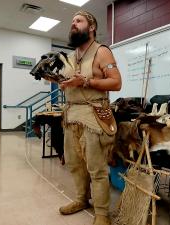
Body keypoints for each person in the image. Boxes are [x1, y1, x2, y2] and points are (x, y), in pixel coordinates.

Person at [58, 10, 122, 225]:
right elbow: (70, 82)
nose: (73, 24)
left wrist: (86, 81)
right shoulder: (70, 56)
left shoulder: (101, 51)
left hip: (94, 116)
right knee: (75, 165)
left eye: (78, 21)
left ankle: (102, 213)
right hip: (71, 115)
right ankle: (81, 199)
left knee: (97, 168)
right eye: (72, 21)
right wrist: (61, 82)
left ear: (91, 27)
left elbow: (116, 83)